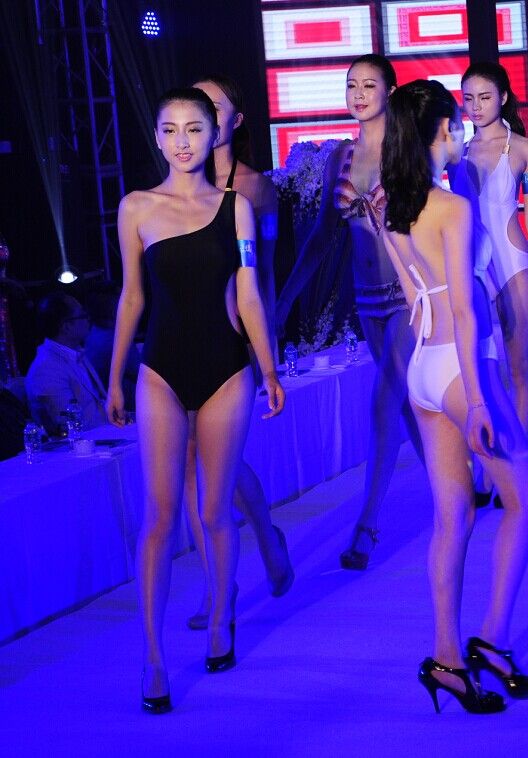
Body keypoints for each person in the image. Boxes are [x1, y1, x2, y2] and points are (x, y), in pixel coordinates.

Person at [107, 87, 285, 714]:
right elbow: (132, 296)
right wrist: (114, 377)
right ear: (157, 137)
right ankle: (153, 656)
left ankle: (219, 618)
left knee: (213, 508)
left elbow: (250, 293)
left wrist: (269, 367)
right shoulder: (136, 207)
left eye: (194, 129)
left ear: (214, 135)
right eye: (170, 129)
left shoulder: (236, 208)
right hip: (159, 370)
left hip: (227, 368)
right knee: (159, 516)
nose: (182, 141)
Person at [380, 79, 528, 714]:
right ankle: (493, 641)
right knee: (526, 503)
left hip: (423, 368)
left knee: (453, 518)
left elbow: (411, 295)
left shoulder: (388, 206)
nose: (459, 134)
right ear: (439, 133)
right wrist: (477, 400)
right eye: (453, 124)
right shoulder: (450, 207)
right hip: (460, 369)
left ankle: (447, 659)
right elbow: (464, 308)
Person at [275, 55, 424, 569]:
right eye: (351, 85)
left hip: (408, 294)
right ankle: (463, 480)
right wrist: (284, 300)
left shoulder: (407, 150)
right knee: (406, 403)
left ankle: (367, 525)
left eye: (368, 85)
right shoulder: (339, 154)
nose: (358, 94)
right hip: (367, 299)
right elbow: (321, 237)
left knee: (384, 401)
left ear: (390, 90)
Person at [179, 74, 292, 630]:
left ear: (235, 119)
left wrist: (263, 346)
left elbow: (261, 276)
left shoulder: (253, 188)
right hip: (180, 337)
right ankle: (222, 579)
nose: (203, 114)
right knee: (190, 462)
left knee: (217, 461)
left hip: (234, 338)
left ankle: (260, 544)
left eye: (214, 106)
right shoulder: (175, 187)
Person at [449, 63, 528, 501]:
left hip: (514, 265)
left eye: (485, 97)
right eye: (468, 98)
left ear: (504, 97)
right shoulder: (455, 151)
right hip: (471, 269)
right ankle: (487, 470)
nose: (475, 106)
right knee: (480, 373)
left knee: (519, 369)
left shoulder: (525, 149)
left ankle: (512, 469)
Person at [25, 292, 107, 437]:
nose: (88, 319)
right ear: (66, 326)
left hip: (105, 435)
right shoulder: (46, 369)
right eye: (83, 315)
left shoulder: (76, 353)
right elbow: (69, 428)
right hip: (88, 444)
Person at [83, 284, 140, 409]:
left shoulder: (92, 333)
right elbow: (140, 374)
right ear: (114, 304)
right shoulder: (115, 339)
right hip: (128, 408)